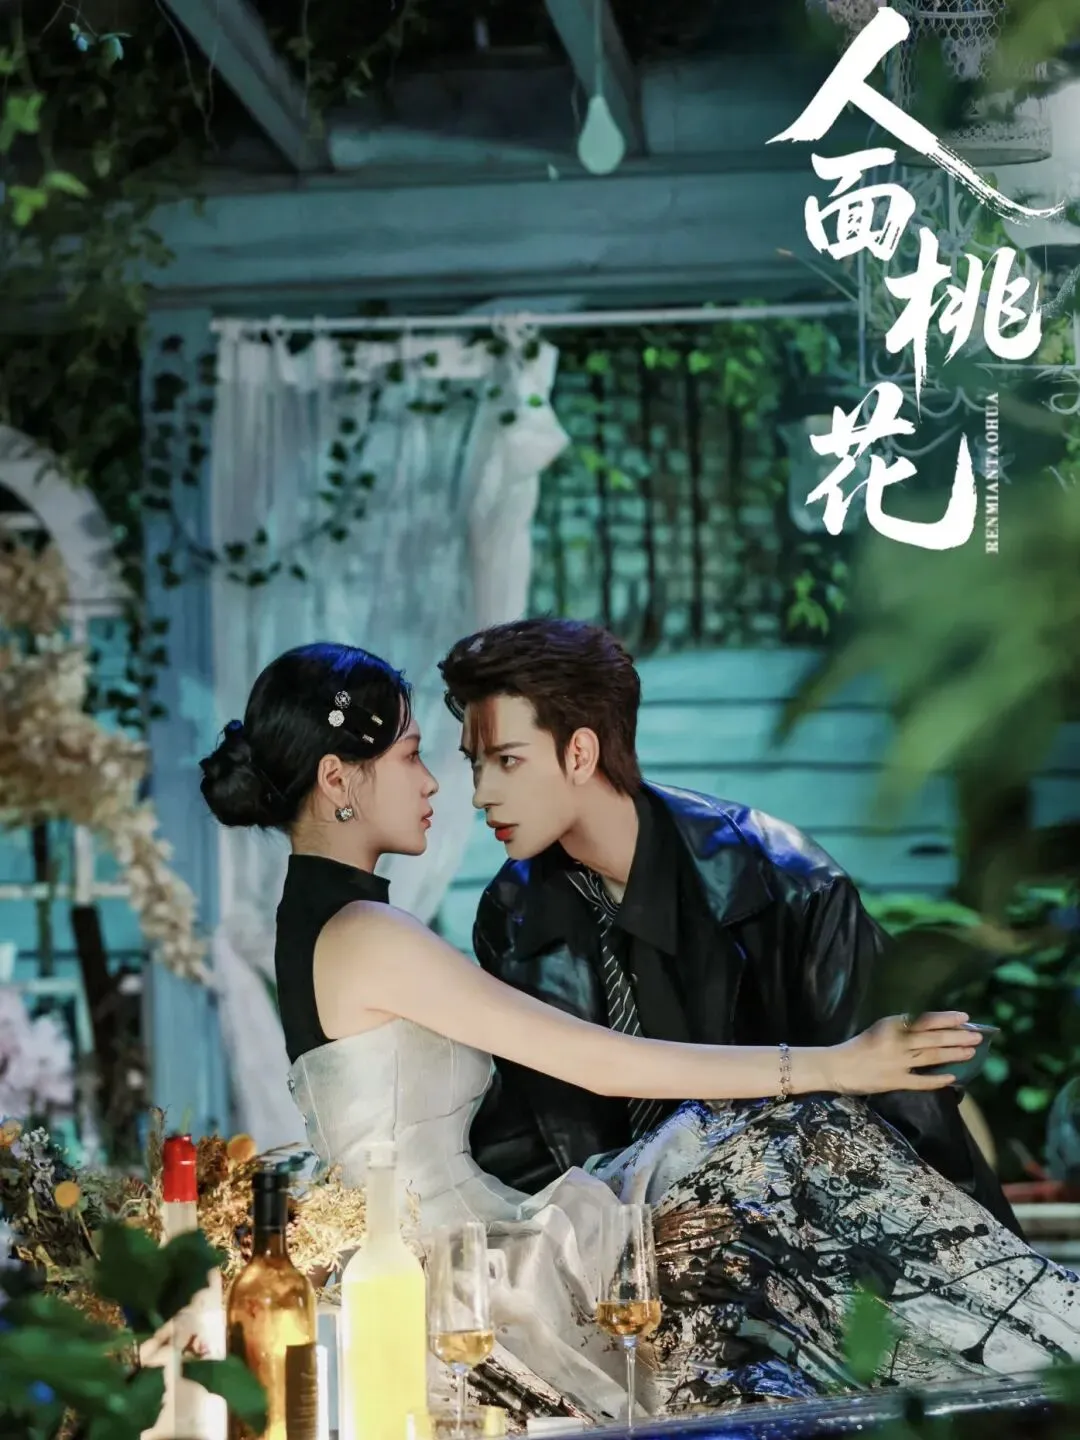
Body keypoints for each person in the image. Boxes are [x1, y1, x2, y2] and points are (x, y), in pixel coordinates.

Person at [200, 642, 1080, 1419]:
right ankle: (1045, 1344)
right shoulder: (370, 935)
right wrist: (836, 1064)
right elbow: (598, 1061)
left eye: (486, 758)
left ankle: (1026, 1347)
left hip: (485, 1236)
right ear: (338, 780)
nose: (438, 785)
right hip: (471, 1274)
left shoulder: (325, 924)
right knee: (797, 1139)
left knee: (791, 1150)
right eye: (411, 755)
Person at [437, 619, 1020, 1236]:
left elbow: (905, 1108)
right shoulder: (511, 912)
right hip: (622, 1249)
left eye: (507, 761)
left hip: (814, 1245)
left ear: (579, 753)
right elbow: (533, 1132)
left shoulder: (786, 884)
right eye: (476, 764)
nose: (481, 794)